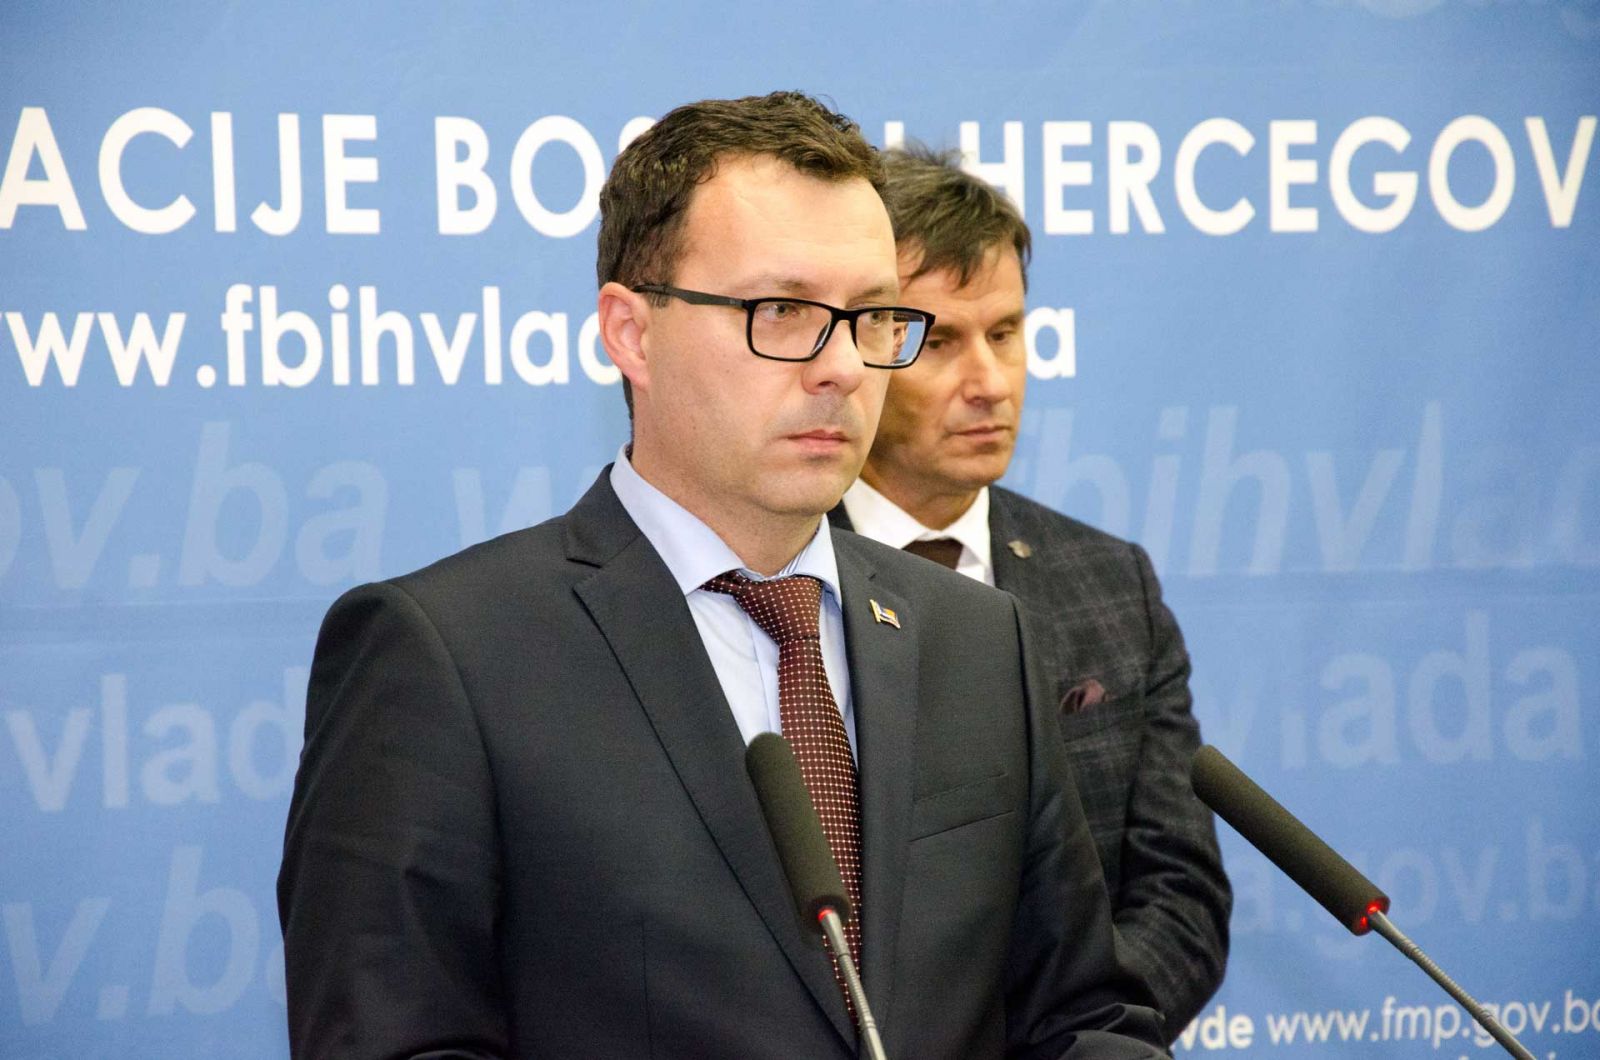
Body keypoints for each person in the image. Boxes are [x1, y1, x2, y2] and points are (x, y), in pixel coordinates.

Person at [278, 93, 1166, 1059]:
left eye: (872, 317)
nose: (842, 366)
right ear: (631, 332)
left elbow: (1078, 1018)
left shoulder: (979, 638)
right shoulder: (449, 656)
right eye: (782, 312)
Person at [833, 145, 1231, 1042]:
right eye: (940, 341)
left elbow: (1181, 899)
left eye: (1006, 333)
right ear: (864, 347)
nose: (989, 383)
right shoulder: (779, 575)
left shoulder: (1110, 584)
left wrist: (1069, 1042)